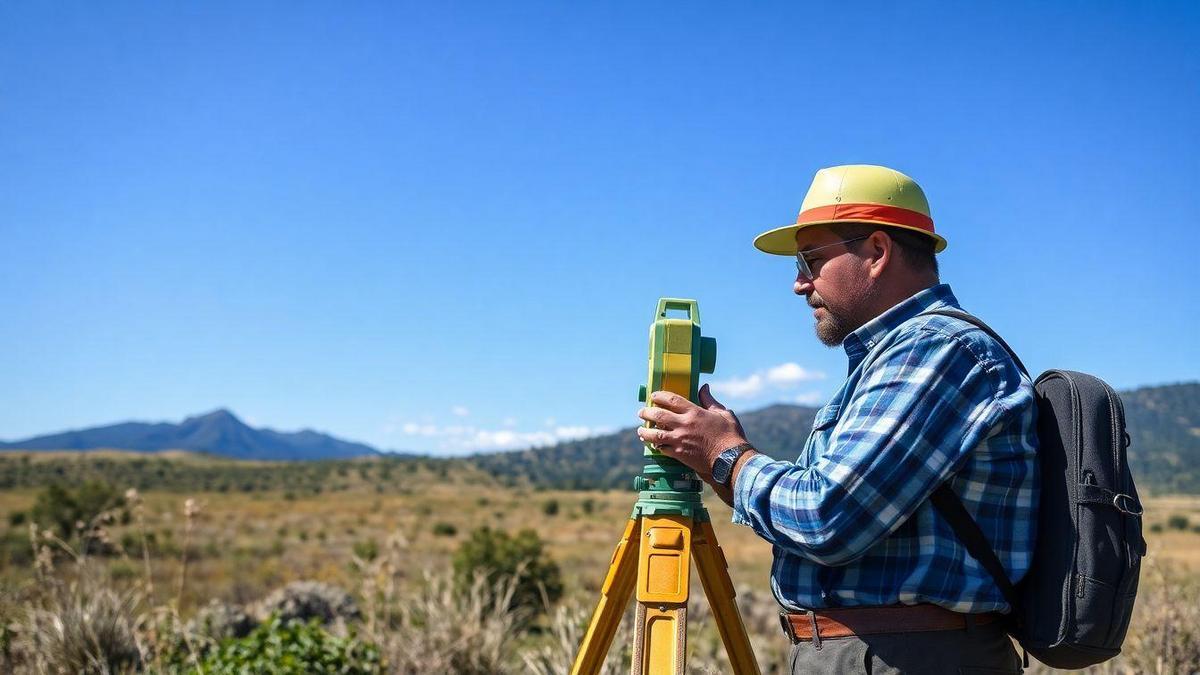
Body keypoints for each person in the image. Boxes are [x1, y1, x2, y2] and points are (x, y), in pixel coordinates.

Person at [635, 164, 1039, 674]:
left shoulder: (936, 349)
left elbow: (826, 518)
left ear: (876, 251)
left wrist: (726, 454)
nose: (799, 284)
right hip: (879, 652)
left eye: (811, 260)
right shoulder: (886, 361)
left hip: (909, 656)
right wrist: (709, 458)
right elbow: (811, 521)